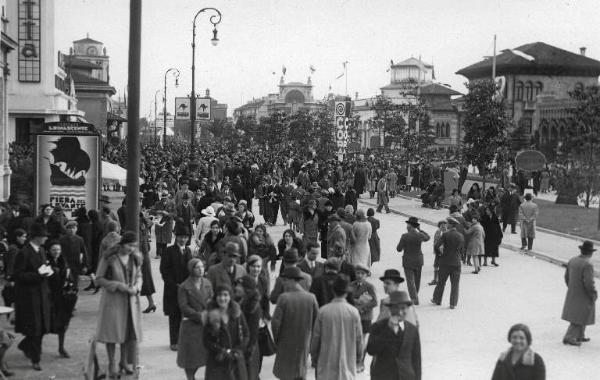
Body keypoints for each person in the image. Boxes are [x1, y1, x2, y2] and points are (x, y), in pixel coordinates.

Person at [95, 231, 143, 378]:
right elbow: (99, 279)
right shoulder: (109, 258)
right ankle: (112, 364)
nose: (131, 249)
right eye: (129, 245)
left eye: (134, 246)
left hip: (130, 302)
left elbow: (139, 276)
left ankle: (123, 362)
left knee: (128, 333)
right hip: (113, 301)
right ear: (122, 243)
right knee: (112, 334)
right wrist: (117, 285)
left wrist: (137, 287)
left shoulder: (135, 258)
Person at [13, 223, 52, 371]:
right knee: (35, 328)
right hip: (29, 296)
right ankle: (35, 358)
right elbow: (18, 274)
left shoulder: (41, 250)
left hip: (41, 294)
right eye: (44, 236)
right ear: (36, 237)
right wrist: (37, 275)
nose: (45, 239)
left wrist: (48, 272)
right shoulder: (24, 253)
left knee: (41, 327)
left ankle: (25, 346)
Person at [310, 274, 362, 380]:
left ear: (333, 291)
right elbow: (359, 339)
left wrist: (314, 358)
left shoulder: (323, 311)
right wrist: (358, 359)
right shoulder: (353, 312)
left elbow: (316, 339)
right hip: (347, 365)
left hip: (326, 365)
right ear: (347, 293)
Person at [271, 266, 319, 380]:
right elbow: (317, 322)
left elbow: (275, 324)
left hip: (285, 342)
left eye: (285, 280)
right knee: (300, 373)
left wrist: (277, 340)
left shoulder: (283, 298)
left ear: (292, 280)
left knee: (285, 375)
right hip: (303, 344)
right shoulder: (311, 298)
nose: (283, 283)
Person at [367, 291, 421, 380]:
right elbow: (371, 350)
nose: (400, 312)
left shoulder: (412, 330)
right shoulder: (378, 327)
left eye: (403, 308)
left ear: (408, 309)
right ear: (390, 309)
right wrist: (388, 330)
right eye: (396, 308)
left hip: (406, 376)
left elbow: (416, 360)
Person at [177, 258, 213, 380]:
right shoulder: (184, 287)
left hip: (206, 325)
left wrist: (210, 311)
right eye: (197, 267)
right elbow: (184, 307)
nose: (201, 269)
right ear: (191, 269)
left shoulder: (207, 283)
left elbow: (212, 300)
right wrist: (199, 316)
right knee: (191, 359)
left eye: (202, 266)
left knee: (206, 356)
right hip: (191, 327)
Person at [203, 286, 249, 380]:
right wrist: (222, 351)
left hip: (235, 361)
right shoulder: (210, 316)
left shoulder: (238, 314)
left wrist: (237, 350)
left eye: (225, 295)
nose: (222, 298)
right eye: (219, 295)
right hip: (217, 361)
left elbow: (246, 334)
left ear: (230, 297)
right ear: (215, 297)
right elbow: (206, 340)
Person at [160, 225, 194, 351]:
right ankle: (174, 341)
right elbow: (164, 270)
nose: (182, 240)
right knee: (174, 316)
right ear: (176, 237)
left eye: (185, 237)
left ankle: (184, 341)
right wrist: (174, 285)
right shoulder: (169, 251)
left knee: (185, 316)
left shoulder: (189, 251)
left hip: (186, 290)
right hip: (172, 289)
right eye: (180, 237)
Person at [561, 240, 597, 346]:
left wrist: (571, 287)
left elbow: (566, 277)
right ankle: (569, 336)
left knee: (581, 314)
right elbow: (589, 282)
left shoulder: (572, 260)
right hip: (584, 294)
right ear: (591, 253)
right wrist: (593, 293)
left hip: (573, 291)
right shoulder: (588, 265)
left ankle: (580, 335)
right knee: (580, 315)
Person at [46, 240, 77, 359]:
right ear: (49, 250)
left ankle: (61, 347)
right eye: (54, 250)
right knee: (46, 323)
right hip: (50, 297)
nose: (56, 252)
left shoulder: (63, 261)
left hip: (62, 297)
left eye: (58, 250)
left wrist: (69, 284)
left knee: (63, 323)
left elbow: (70, 278)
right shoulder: (46, 262)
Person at [432, 217, 465, 309]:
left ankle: (437, 300)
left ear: (451, 225)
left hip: (445, 262)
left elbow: (437, 246)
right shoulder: (460, 236)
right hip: (456, 263)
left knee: (441, 282)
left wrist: (440, 254)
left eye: (448, 224)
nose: (446, 225)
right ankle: (452, 304)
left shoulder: (445, 235)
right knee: (455, 284)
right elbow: (462, 250)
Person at [396, 217, 430, 305]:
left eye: (407, 224)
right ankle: (415, 295)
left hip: (408, 261)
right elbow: (428, 237)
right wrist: (420, 230)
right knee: (417, 280)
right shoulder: (420, 235)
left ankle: (414, 298)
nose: (406, 226)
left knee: (410, 281)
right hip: (418, 260)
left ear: (410, 225)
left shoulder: (405, 236)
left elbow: (399, 249)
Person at [350, 264, 377, 373]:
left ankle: (360, 362)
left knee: (362, 341)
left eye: (362, 273)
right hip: (353, 316)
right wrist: (355, 303)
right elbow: (348, 298)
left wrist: (362, 308)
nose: (360, 275)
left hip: (365, 317)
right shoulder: (351, 285)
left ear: (366, 275)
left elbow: (375, 302)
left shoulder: (370, 287)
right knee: (354, 340)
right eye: (358, 273)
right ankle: (354, 361)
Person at [234, 275, 261, 380]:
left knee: (248, 375)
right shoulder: (239, 301)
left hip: (248, 347)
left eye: (239, 286)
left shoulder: (253, 307)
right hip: (242, 345)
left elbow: (253, 333)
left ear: (247, 289)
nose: (236, 288)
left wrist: (247, 351)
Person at [59, 220, 88, 288]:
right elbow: (61, 253)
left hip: (76, 264)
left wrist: (85, 265)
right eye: (70, 228)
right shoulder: (62, 239)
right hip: (65, 263)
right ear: (66, 229)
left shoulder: (80, 239)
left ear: (76, 229)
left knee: (75, 282)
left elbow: (84, 252)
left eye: (73, 228)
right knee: (65, 281)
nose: (72, 230)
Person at [429, 220, 448, 286]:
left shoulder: (447, 233)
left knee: (443, 266)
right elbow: (435, 242)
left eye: (444, 225)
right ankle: (435, 280)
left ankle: (440, 281)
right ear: (439, 226)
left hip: (444, 252)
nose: (443, 226)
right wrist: (435, 250)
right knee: (436, 265)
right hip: (438, 252)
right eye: (441, 225)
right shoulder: (437, 232)